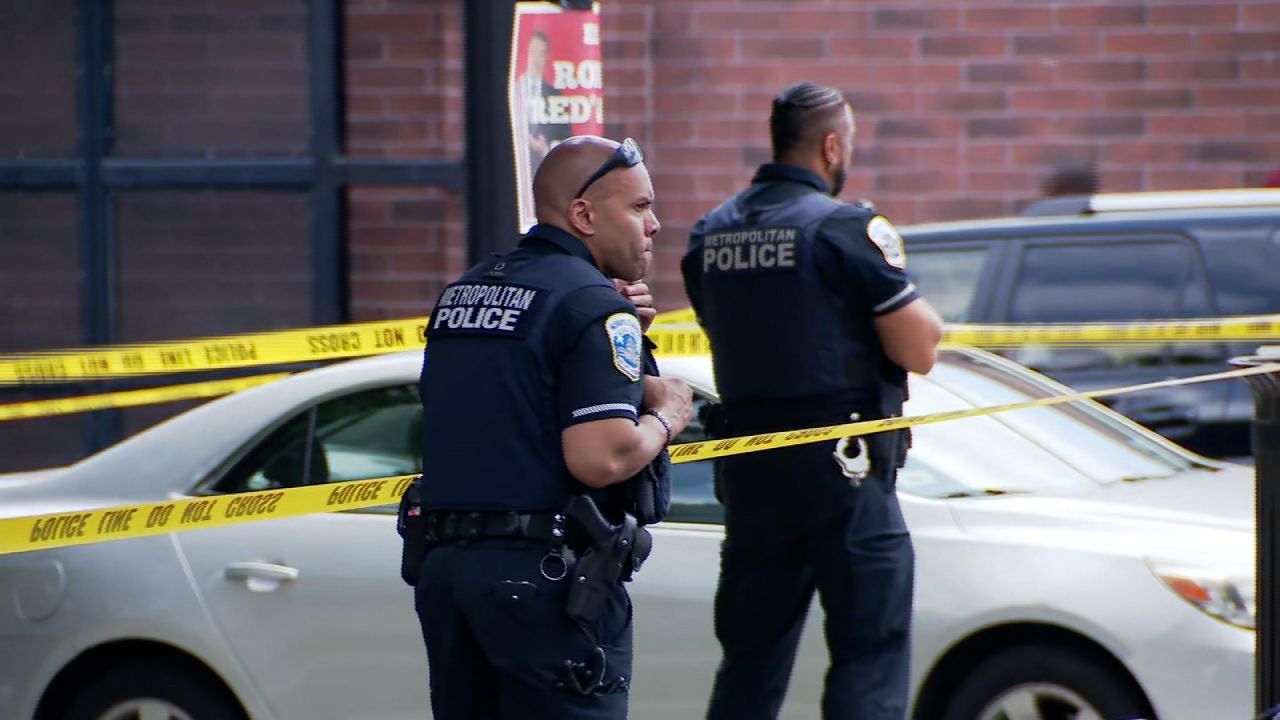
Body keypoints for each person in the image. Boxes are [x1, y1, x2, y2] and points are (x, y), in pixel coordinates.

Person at [681, 82, 943, 720]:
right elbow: (921, 347)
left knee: (750, 661)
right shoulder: (845, 228)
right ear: (831, 146)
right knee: (867, 656)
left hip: (751, 468)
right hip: (843, 470)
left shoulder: (708, 233)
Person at [412, 135, 693, 719]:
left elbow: (520, 396)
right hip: (540, 581)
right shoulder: (590, 307)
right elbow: (601, 456)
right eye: (639, 207)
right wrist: (666, 415)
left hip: (449, 573)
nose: (656, 225)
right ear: (584, 215)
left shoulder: (466, 290)